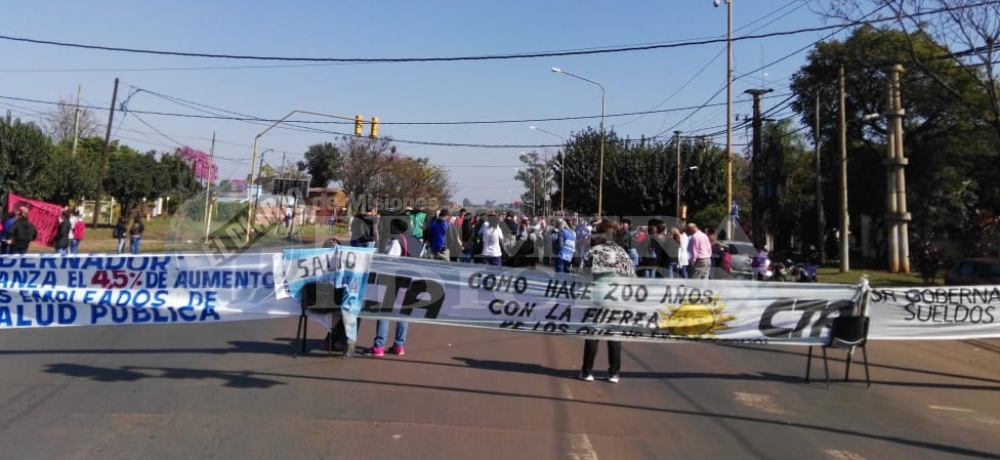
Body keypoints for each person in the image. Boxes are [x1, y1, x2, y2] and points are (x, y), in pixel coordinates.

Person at [580, 220, 636, 384]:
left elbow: (582, 274)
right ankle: (614, 373)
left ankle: (587, 371)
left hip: (598, 297)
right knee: (614, 335)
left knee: (593, 334)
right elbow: (632, 277)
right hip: (618, 298)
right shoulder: (623, 254)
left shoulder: (594, 253)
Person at [371, 214, 423, 357]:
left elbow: (389, 261)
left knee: (385, 313)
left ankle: (379, 346)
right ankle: (399, 345)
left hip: (394, 281)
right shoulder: (417, 242)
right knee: (403, 315)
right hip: (410, 281)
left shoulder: (397, 241)